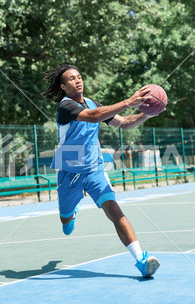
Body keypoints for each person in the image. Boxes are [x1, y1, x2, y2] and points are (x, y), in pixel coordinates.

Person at [41, 64, 161, 278]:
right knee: (65, 222)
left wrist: (148, 113)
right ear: (63, 86)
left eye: (79, 76)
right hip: (69, 170)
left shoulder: (92, 103)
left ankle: (141, 260)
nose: (77, 80)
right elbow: (94, 116)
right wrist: (129, 101)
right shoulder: (66, 107)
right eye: (71, 78)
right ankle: (71, 213)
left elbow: (123, 123)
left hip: (94, 168)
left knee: (114, 210)